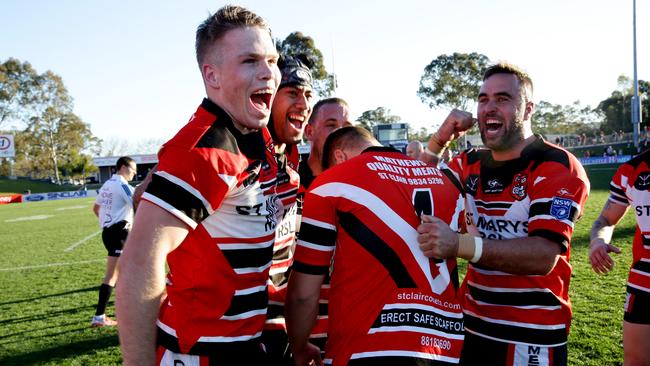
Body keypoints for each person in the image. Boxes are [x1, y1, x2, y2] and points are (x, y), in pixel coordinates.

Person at [116, 5, 280, 365]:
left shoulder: (256, 138)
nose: (268, 73)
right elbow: (139, 263)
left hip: (246, 343)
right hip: (201, 353)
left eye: (272, 59)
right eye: (250, 61)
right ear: (213, 75)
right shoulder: (205, 149)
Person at [418, 62, 589, 365]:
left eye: (503, 99)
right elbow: (416, 188)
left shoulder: (556, 164)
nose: (489, 108)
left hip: (530, 333)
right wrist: (441, 138)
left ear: (528, 109)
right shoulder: (468, 162)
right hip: (470, 325)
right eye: (483, 100)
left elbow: (542, 255)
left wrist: (458, 245)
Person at [286, 126, 466, 366]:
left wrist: (298, 346)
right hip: (443, 346)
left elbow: (304, 293)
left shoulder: (330, 183)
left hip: (362, 347)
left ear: (339, 157)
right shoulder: (447, 181)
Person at [262, 55, 314, 365]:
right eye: (292, 92)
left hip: (277, 325)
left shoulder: (291, 161)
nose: (304, 103)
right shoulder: (234, 148)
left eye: (308, 95)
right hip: (230, 333)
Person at [589, 148, 650, 365]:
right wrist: (599, 241)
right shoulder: (632, 171)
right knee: (635, 360)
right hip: (644, 281)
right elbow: (605, 220)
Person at [91, 156, 136, 327]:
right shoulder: (122, 185)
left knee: (116, 274)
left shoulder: (107, 184)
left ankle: (101, 316)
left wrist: (107, 223)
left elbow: (96, 208)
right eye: (133, 170)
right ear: (123, 167)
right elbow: (137, 203)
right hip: (120, 234)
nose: (134, 173)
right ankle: (101, 316)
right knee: (119, 275)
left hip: (109, 233)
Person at [298, 97, 353, 189]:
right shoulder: (289, 180)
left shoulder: (359, 181)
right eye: (331, 125)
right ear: (309, 132)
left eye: (347, 127)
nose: (341, 132)